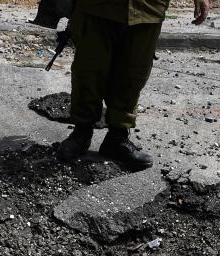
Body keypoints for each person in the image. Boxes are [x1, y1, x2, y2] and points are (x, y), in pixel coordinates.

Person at [58, 0, 211, 170]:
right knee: (89, 69)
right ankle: (81, 132)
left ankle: (117, 139)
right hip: (97, 6)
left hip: (148, 8)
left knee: (133, 73)